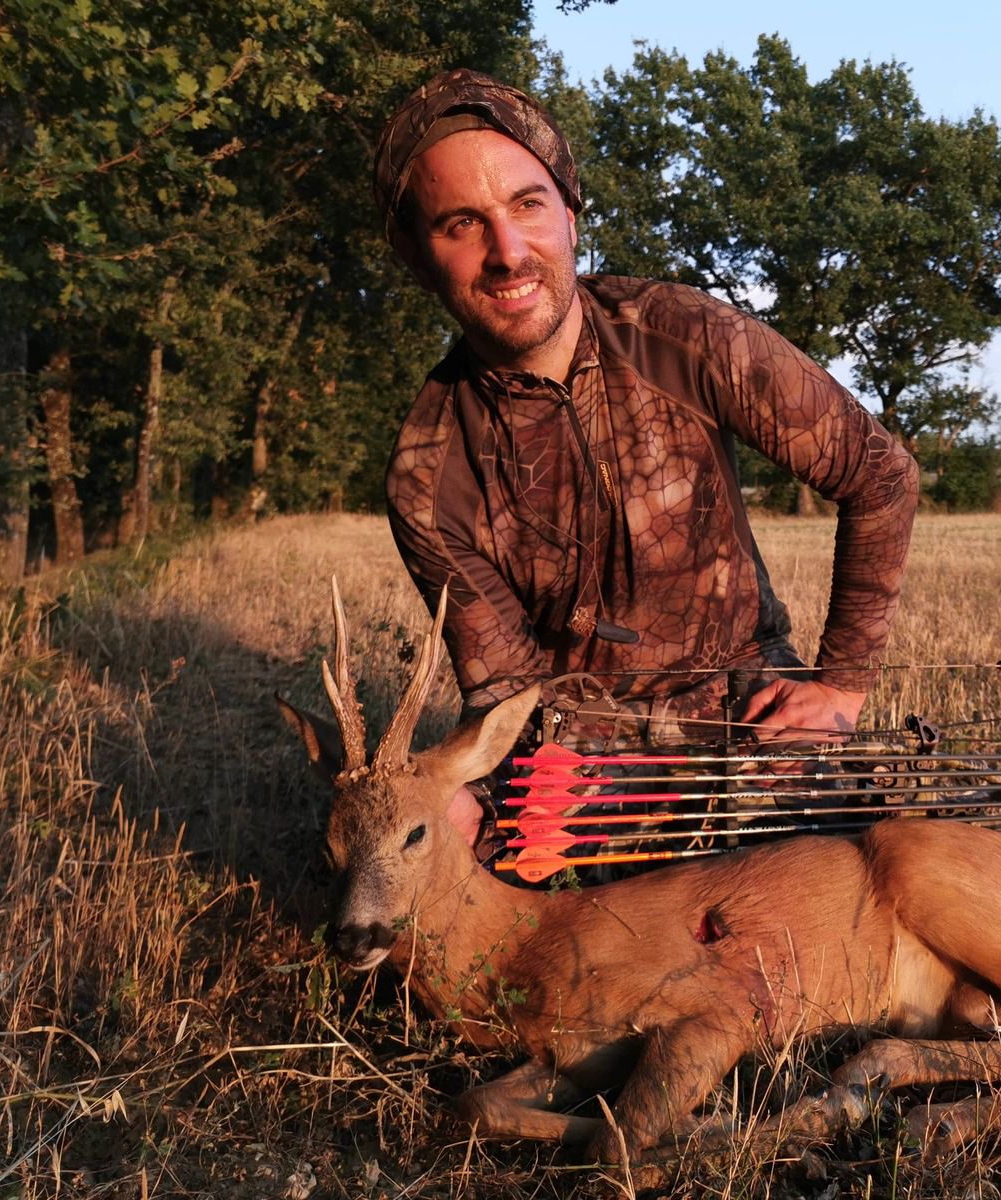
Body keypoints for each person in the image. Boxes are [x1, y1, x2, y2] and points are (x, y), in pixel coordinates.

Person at [372, 70, 918, 836]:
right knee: (445, 848)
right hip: (579, 744)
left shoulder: (687, 335)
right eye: (461, 223)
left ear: (568, 209)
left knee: (889, 869)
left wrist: (842, 684)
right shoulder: (426, 477)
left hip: (747, 708)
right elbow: (508, 697)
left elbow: (880, 476)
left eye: (527, 205)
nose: (507, 251)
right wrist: (545, 801)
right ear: (414, 252)